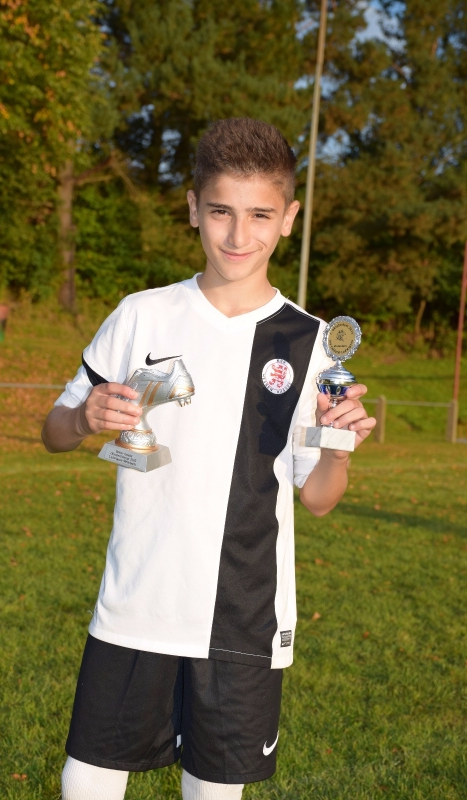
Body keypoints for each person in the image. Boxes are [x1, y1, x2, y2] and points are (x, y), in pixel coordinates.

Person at [41, 117, 376, 800]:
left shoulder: (311, 343)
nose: (237, 235)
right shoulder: (141, 314)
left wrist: (339, 447)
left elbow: (317, 498)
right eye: (221, 211)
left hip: (242, 615)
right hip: (137, 602)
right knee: (85, 782)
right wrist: (83, 417)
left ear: (289, 218)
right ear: (193, 207)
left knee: (213, 792)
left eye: (259, 215)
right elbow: (54, 430)